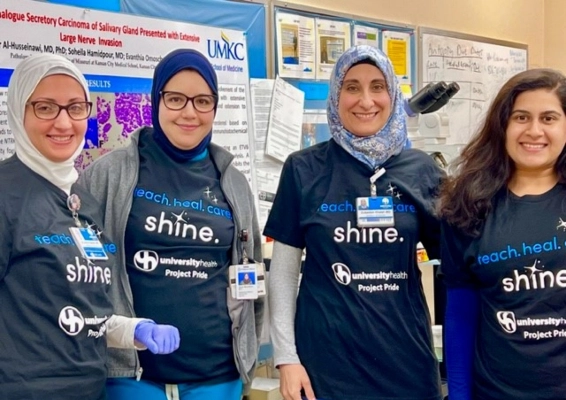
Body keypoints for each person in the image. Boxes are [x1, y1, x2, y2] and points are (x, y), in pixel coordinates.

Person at [79, 48, 263, 400]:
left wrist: (247, 358)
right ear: (156, 99)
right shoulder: (107, 175)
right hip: (130, 379)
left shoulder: (233, 183)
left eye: (203, 101)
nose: (190, 112)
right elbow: (77, 275)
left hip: (217, 378)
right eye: (176, 98)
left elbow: (250, 276)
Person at [264, 45, 443, 400]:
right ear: (336, 94)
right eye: (352, 87)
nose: (366, 100)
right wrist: (286, 359)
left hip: (406, 361)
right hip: (324, 367)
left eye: (378, 86)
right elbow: (282, 274)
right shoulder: (303, 169)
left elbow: (456, 261)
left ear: (392, 93)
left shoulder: (421, 170)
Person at [0, 54, 179, 400]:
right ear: (18, 112)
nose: (64, 123)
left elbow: (87, 312)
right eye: (45, 107)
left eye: (75, 107)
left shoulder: (83, 200)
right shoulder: (6, 195)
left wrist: (134, 330)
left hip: (90, 389)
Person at [440, 68, 566, 399]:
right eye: (521, 117)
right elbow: (460, 320)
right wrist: (459, 395)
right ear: (503, 126)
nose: (534, 130)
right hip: (495, 392)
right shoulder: (466, 206)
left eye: (549, 118)